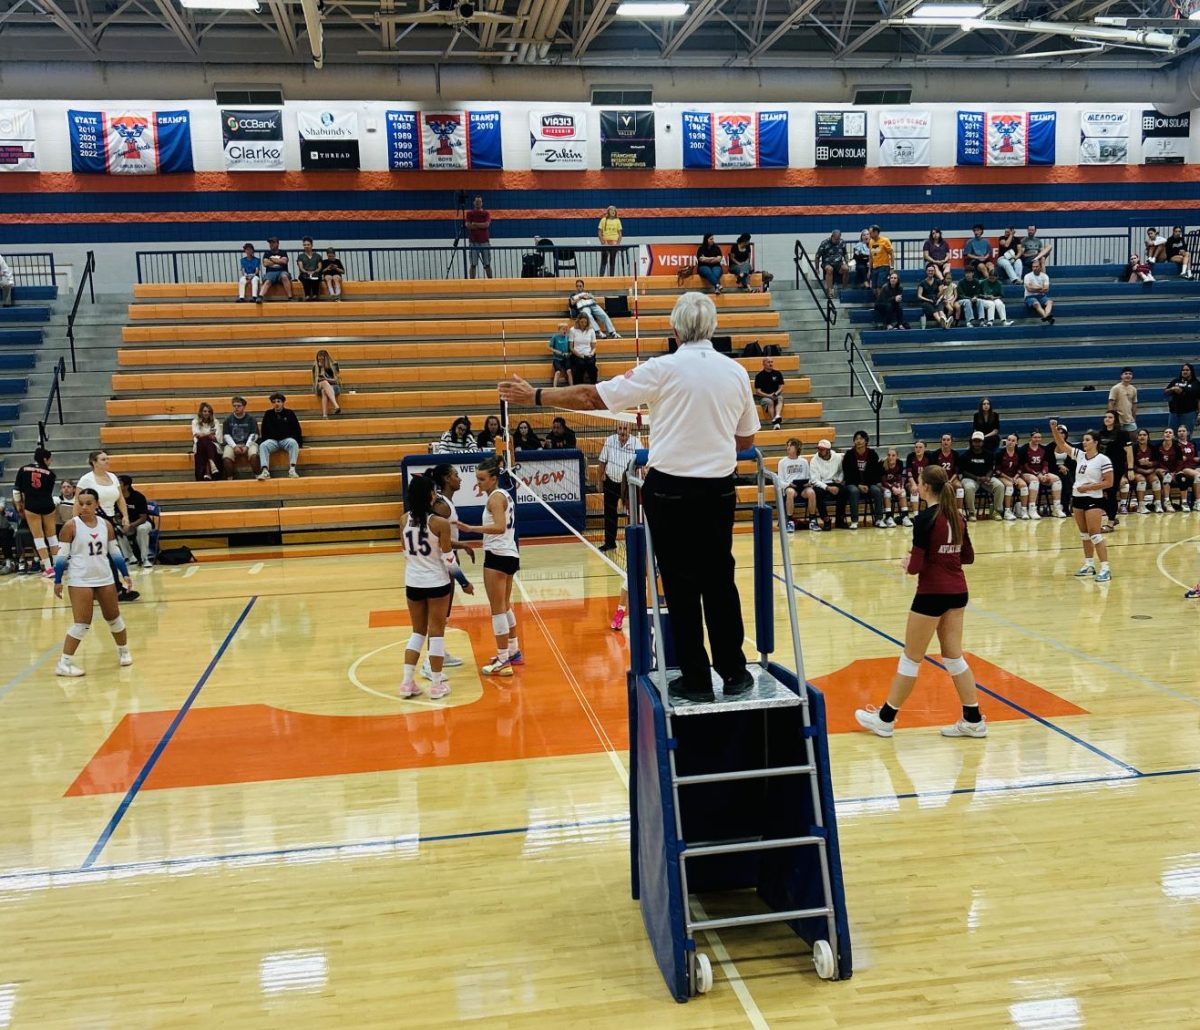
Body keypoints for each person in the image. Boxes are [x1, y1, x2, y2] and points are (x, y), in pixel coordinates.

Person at [498, 291, 758, 704]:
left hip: (671, 488)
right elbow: (745, 439)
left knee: (680, 583)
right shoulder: (737, 373)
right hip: (719, 488)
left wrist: (535, 397)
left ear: (675, 330)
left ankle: (695, 678)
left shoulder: (663, 368)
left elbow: (591, 398)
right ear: (713, 328)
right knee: (720, 579)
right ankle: (735, 672)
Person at [854, 464, 985, 740]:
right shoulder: (958, 516)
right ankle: (973, 719)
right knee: (953, 657)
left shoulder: (925, 519)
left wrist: (906, 563)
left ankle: (885, 719)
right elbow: (968, 558)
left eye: (918, 483)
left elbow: (915, 566)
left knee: (911, 658)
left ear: (925, 487)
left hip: (932, 594)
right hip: (958, 591)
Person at [52, 488, 134, 677]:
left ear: (97, 504)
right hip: (80, 579)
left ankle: (124, 651)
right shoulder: (70, 526)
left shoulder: (106, 525)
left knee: (114, 617)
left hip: (104, 577)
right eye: (80, 503)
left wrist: (125, 574)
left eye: (89, 503)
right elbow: (61, 557)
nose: (84, 507)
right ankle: (64, 663)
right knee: (82, 623)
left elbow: (114, 552)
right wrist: (57, 580)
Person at [454, 455, 522, 677]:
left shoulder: (495, 499)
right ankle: (513, 651)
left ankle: (503, 660)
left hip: (497, 556)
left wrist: (471, 529)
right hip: (510, 554)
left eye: (482, 479)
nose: (478, 483)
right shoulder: (504, 496)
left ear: (493, 478)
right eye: (477, 478)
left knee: (497, 610)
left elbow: (500, 527)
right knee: (505, 605)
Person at [397, 475, 456, 700]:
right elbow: (449, 559)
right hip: (437, 582)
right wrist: (464, 582)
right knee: (437, 633)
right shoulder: (440, 523)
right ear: (430, 495)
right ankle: (437, 685)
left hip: (413, 582)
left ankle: (406, 683)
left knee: (417, 632)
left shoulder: (403, 520)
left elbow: (406, 552)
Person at [419, 464, 476, 680]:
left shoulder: (446, 502)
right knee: (439, 615)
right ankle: (428, 662)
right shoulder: (442, 505)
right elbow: (432, 531)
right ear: (445, 479)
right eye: (455, 475)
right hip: (441, 562)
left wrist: (462, 546)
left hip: (447, 557)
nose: (459, 479)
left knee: (444, 614)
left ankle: (439, 652)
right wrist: (458, 551)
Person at [1050, 419, 1113, 583]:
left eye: (1087, 440)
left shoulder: (1103, 460)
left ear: (1095, 442)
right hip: (1077, 498)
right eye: (1083, 440)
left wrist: (1089, 488)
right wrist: (1053, 429)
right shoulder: (1080, 456)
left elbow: (1109, 482)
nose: (1084, 443)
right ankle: (1089, 565)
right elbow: (1062, 445)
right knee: (1084, 535)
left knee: (1095, 535)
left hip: (1093, 499)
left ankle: (1105, 568)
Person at [598, 421, 643, 551]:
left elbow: (642, 464)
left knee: (632, 512)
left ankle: (634, 542)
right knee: (609, 514)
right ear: (616, 429)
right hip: (611, 482)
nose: (622, 431)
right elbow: (602, 462)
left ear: (630, 430)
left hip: (628, 483)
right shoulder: (610, 440)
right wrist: (600, 482)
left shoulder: (636, 442)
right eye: (620, 428)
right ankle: (610, 543)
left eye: (625, 428)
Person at [13, 446, 58, 577]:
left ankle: (49, 569)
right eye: (50, 459)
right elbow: (47, 492)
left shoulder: (23, 469)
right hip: (48, 504)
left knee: (38, 537)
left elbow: (17, 490)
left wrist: (18, 504)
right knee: (52, 536)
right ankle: (57, 565)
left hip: (31, 505)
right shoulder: (51, 474)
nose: (51, 462)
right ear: (45, 459)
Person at [840, 430, 884, 530]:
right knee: (854, 491)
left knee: (877, 491)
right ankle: (854, 521)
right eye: (856, 439)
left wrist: (867, 485)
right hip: (853, 483)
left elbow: (875, 473)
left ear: (866, 440)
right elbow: (847, 474)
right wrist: (858, 485)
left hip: (868, 483)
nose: (858, 441)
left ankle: (878, 519)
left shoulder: (872, 454)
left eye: (861, 438)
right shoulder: (849, 455)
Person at [257, 392, 303, 480]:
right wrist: (267, 439)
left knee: (293, 443)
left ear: (283, 402)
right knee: (263, 445)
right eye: (274, 402)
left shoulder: (289, 413)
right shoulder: (268, 414)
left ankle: (292, 470)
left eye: (278, 401)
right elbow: (264, 429)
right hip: (273, 441)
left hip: (286, 440)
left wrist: (299, 443)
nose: (276, 404)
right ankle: (265, 471)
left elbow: (296, 428)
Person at [1020, 428, 1063, 519]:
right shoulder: (1024, 448)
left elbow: (1045, 464)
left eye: (1039, 437)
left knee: (1056, 479)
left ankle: (1056, 508)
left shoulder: (1043, 449)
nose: (1037, 439)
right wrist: (1037, 474)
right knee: (1034, 480)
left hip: (1040, 473)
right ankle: (1032, 509)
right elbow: (1024, 465)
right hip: (1027, 473)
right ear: (1031, 438)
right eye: (1035, 437)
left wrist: (1044, 474)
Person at [960, 431, 1004, 520]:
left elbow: (991, 469)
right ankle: (972, 513)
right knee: (969, 488)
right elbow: (963, 472)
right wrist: (977, 478)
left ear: (983, 442)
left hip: (985, 479)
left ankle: (997, 512)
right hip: (971, 478)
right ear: (972, 442)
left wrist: (988, 477)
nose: (977, 443)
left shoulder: (989, 454)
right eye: (975, 441)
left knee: (1000, 486)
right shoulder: (965, 455)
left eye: (979, 441)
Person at [778, 438, 815, 532]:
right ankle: (790, 521)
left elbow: (808, 476)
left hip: (802, 488)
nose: (788, 447)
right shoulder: (782, 462)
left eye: (791, 445)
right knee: (790, 492)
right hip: (790, 487)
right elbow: (779, 481)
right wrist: (788, 484)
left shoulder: (804, 461)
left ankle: (812, 520)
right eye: (787, 445)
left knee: (811, 492)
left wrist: (808, 483)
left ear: (797, 447)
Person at [117, 474, 153, 566]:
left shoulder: (138, 497)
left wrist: (131, 525)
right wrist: (122, 525)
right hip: (126, 524)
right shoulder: (116, 498)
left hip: (142, 522)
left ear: (126, 486)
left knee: (142, 529)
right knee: (117, 530)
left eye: (119, 482)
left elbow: (143, 518)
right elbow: (116, 515)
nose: (116, 484)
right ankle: (129, 557)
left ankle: (144, 558)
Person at [809, 438, 844, 532]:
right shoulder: (814, 460)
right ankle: (826, 520)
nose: (819, 451)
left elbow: (842, 471)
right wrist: (828, 488)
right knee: (817, 493)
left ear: (828, 450)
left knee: (844, 491)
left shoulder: (837, 457)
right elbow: (814, 480)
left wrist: (839, 480)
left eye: (822, 449)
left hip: (834, 481)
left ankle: (840, 520)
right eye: (819, 449)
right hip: (821, 483)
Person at [221, 396, 261, 479]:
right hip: (233, 444)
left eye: (238, 406)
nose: (236, 408)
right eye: (234, 406)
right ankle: (230, 477)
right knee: (226, 458)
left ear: (243, 406)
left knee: (254, 455)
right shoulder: (228, 419)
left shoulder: (251, 419)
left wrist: (247, 446)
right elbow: (226, 435)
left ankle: (257, 475)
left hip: (248, 443)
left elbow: (254, 435)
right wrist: (234, 446)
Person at [995, 434, 1028, 520]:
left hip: (1015, 476)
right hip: (1002, 476)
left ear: (1016, 442)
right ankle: (1007, 511)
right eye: (1009, 440)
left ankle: (1023, 511)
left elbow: (1021, 468)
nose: (1010, 442)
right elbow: (997, 471)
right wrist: (1009, 478)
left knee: (1024, 486)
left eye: (1013, 441)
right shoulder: (1000, 453)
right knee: (1009, 486)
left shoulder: (1019, 453)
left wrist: (1016, 477)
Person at [932, 434, 965, 519]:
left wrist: (950, 480)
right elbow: (934, 470)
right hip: (939, 479)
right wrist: (942, 480)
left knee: (959, 487)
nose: (945, 442)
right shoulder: (935, 454)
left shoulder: (955, 454)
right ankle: (938, 512)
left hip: (952, 478)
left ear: (951, 442)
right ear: (941, 442)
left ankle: (959, 511)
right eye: (944, 440)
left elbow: (957, 471)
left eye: (948, 440)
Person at [1164, 362, 1200, 435]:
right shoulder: (1175, 381)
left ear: (1191, 371)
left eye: (1187, 370)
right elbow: (1165, 392)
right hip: (1174, 413)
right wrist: (1172, 389)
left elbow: (1199, 400)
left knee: (1186, 436)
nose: (1185, 372)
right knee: (1172, 435)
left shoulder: (1196, 384)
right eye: (1183, 370)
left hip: (1189, 413)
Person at [1131, 428, 1162, 514]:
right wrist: (1140, 470)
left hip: (1150, 470)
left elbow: (1158, 461)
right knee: (1141, 481)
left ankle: (1158, 504)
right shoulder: (1133, 448)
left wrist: (1150, 464)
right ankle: (1141, 506)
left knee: (1156, 480)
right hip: (1137, 471)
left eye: (1144, 435)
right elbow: (1129, 463)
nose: (1142, 437)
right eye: (1140, 435)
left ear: (1148, 437)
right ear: (1137, 437)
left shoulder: (1153, 447)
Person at [191, 401, 223, 480]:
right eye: (205, 411)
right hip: (199, 446)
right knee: (202, 442)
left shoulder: (215, 422)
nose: (207, 413)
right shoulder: (195, 422)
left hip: (213, 446)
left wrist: (203, 435)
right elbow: (196, 436)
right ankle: (212, 464)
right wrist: (209, 434)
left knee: (205, 442)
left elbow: (218, 438)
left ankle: (207, 473)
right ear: (201, 412)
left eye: (209, 411)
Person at [465, 196, 493, 280]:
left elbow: (487, 225)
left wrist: (475, 224)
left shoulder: (486, 213)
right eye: (476, 202)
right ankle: (472, 282)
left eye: (479, 202)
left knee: (487, 264)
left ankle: (491, 282)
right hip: (473, 242)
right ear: (474, 203)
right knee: (473, 264)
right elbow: (468, 225)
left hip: (485, 242)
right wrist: (481, 225)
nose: (478, 203)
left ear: (482, 203)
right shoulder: (469, 213)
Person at [753, 357, 785, 429]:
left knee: (780, 398)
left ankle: (777, 416)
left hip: (775, 394)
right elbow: (758, 391)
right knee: (769, 401)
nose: (770, 364)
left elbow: (781, 387)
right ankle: (775, 422)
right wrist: (769, 396)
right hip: (765, 397)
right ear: (763, 364)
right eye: (768, 362)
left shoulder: (778, 373)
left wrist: (776, 393)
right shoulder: (759, 376)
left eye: (771, 362)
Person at [904, 439, 930, 525]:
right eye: (916, 447)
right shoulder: (910, 456)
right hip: (911, 482)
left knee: (932, 489)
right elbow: (909, 473)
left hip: (925, 482)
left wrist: (923, 484)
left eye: (920, 447)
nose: (918, 449)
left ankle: (930, 515)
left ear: (924, 448)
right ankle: (916, 517)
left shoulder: (929, 457)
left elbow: (930, 472)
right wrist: (914, 484)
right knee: (914, 490)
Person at [568, 315, 599, 385]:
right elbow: (571, 348)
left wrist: (591, 353)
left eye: (585, 322)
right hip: (577, 354)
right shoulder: (573, 330)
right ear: (578, 321)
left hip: (588, 354)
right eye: (582, 322)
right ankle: (579, 385)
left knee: (591, 365)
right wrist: (580, 355)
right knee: (580, 364)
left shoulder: (591, 330)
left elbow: (594, 347)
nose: (583, 324)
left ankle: (593, 384)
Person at [815, 230, 848, 294]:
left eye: (838, 239)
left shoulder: (842, 242)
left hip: (839, 264)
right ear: (832, 237)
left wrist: (847, 262)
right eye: (836, 239)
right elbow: (817, 256)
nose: (837, 241)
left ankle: (844, 288)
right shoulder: (824, 243)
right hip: (827, 263)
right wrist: (817, 268)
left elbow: (845, 253)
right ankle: (830, 290)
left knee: (846, 268)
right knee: (829, 269)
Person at [1023, 258, 1055, 324]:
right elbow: (1029, 289)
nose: (1035, 268)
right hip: (1029, 297)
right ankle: (1047, 317)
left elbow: (1046, 289)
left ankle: (1046, 316)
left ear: (1040, 267)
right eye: (1033, 267)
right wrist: (1040, 288)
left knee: (1050, 302)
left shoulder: (1045, 276)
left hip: (1041, 296)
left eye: (1036, 266)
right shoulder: (1027, 276)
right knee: (1036, 303)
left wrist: (1034, 287)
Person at [1175, 425, 1199, 510]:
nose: (1181, 433)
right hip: (1184, 468)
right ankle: (1197, 502)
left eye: (1183, 431)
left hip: (1194, 466)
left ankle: (1196, 502)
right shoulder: (1176, 445)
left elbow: (1195, 457)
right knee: (1198, 476)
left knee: (1198, 476)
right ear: (1177, 433)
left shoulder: (1192, 444)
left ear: (1187, 432)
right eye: (1179, 431)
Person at [880, 448, 906, 528]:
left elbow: (900, 478)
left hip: (893, 484)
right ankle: (888, 517)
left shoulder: (900, 463)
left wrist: (900, 487)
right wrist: (892, 488)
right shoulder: (882, 464)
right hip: (881, 485)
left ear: (897, 457)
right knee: (887, 492)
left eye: (893, 455)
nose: (891, 457)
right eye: (889, 455)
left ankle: (905, 517)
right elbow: (883, 481)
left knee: (902, 491)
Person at [312, 349, 342, 418]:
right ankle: (336, 405)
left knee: (324, 391)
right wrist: (321, 368)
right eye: (319, 359)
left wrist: (326, 379)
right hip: (319, 386)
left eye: (322, 359)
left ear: (326, 359)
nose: (320, 361)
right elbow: (315, 381)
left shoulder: (334, 365)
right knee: (324, 383)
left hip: (334, 387)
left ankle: (325, 416)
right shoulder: (315, 366)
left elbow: (337, 380)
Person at [1108, 367, 1138, 432]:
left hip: (1129, 420)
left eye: (1130, 374)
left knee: (1133, 439)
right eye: (1126, 373)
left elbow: (1134, 405)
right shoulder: (1115, 388)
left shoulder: (1134, 389)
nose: (1128, 375)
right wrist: (1112, 419)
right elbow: (1111, 404)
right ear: (1121, 376)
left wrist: (1134, 418)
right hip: (1118, 420)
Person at [868, 224, 894, 297]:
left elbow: (891, 253)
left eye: (871, 233)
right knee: (874, 288)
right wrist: (869, 269)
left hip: (884, 267)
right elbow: (870, 256)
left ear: (876, 232)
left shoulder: (885, 240)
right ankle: (879, 301)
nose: (869, 235)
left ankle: (881, 303)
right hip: (874, 267)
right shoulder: (871, 242)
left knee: (880, 287)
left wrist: (892, 267)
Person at [597, 205, 623, 276]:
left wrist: (618, 243)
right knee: (604, 261)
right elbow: (599, 232)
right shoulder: (603, 220)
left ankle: (612, 277)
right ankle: (601, 278)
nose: (613, 212)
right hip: (605, 242)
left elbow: (620, 233)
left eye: (614, 210)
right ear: (608, 211)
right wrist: (602, 241)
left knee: (612, 261)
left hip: (614, 242)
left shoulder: (617, 221)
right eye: (611, 210)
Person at [547, 321, 572, 387]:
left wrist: (569, 353)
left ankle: (572, 387)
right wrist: (557, 352)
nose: (565, 331)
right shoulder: (555, 337)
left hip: (566, 358)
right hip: (557, 358)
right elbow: (549, 347)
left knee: (569, 371)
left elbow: (571, 348)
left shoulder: (568, 337)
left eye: (566, 329)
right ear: (559, 330)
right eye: (563, 329)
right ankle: (554, 387)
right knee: (558, 372)